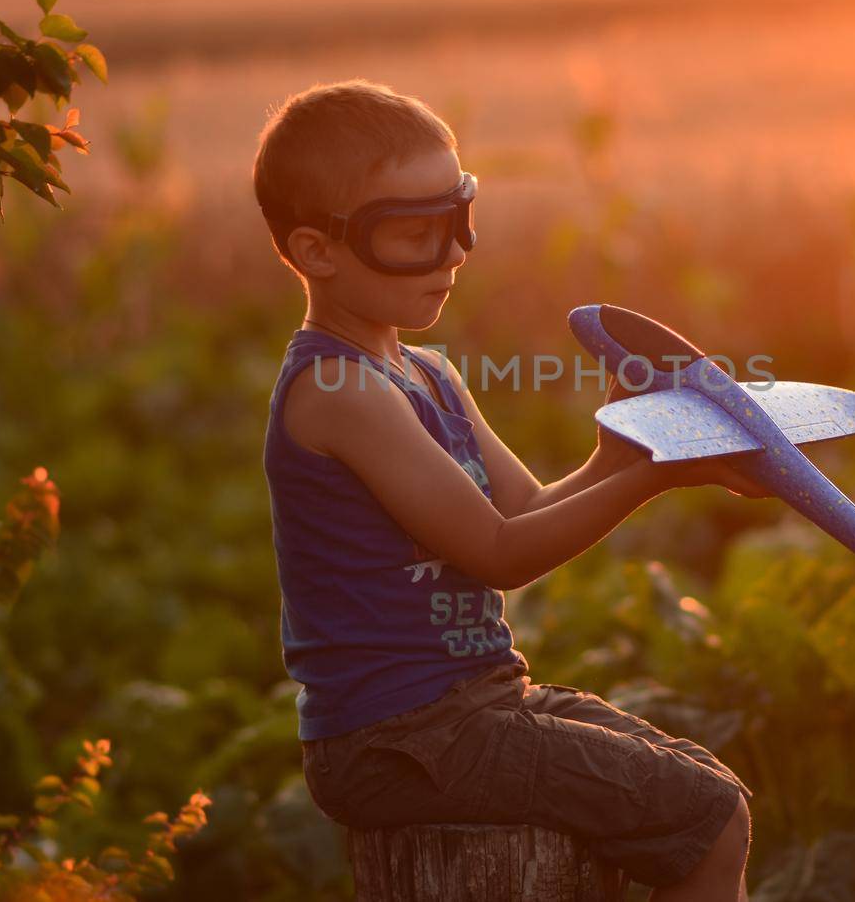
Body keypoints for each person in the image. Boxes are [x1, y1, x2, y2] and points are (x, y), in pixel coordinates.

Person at [253, 78, 761, 900]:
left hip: (473, 704)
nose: (454, 251)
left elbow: (521, 509)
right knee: (704, 816)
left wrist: (623, 449)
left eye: (458, 218)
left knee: (709, 790)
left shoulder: (428, 372)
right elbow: (501, 553)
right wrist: (658, 475)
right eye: (414, 231)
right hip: (398, 738)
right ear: (318, 251)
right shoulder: (340, 391)